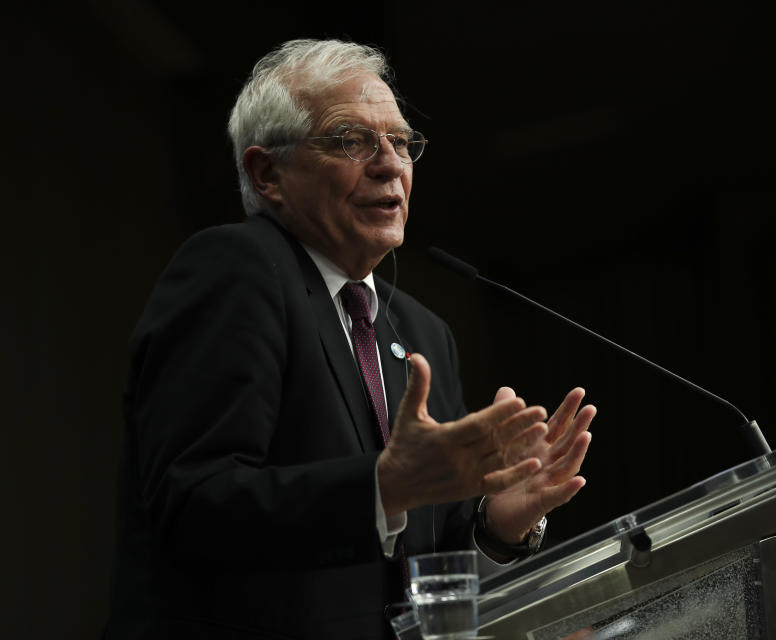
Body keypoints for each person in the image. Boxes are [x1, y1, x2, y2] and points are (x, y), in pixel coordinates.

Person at [104, 39, 594, 639]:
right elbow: (193, 505)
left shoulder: (421, 333)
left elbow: (423, 576)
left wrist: (497, 526)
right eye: (350, 140)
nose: (390, 163)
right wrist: (384, 486)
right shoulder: (237, 269)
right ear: (268, 173)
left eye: (401, 142)